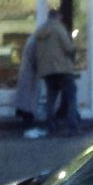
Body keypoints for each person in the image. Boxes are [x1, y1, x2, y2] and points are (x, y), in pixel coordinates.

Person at [34, 8, 80, 136]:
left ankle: (50, 126)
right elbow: (68, 48)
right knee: (71, 97)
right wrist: (75, 49)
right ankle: (73, 127)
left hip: (47, 71)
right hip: (62, 69)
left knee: (51, 99)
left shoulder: (40, 31)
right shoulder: (59, 28)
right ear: (58, 17)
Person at [13, 32, 44, 137]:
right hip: (31, 77)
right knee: (29, 103)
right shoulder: (34, 44)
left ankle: (29, 127)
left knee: (27, 103)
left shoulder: (30, 44)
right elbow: (35, 60)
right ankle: (29, 128)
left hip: (28, 76)